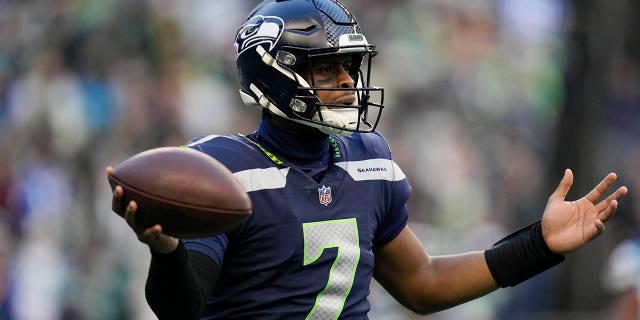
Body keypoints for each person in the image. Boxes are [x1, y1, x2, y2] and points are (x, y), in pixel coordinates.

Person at [106, 0, 628, 319]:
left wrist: (538, 244)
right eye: (328, 69)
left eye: (351, 68)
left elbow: (423, 283)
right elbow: (182, 310)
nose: (349, 83)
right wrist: (168, 251)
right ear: (274, 76)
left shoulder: (367, 160)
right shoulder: (223, 171)